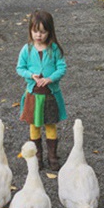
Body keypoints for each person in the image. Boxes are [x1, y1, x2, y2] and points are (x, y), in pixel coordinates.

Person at [16, 9, 67, 170]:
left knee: (50, 124)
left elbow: (62, 67)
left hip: (50, 94)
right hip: (34, 94)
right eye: (35, 31)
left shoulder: (54, 49)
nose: (39, 35)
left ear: (49, 32)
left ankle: (52, 156)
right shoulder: (27, 49)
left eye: (43, 32)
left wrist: (50, 78)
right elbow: (20, 68)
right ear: (30, 30)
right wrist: (31, 75)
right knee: (34, 125)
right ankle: (37, 157)